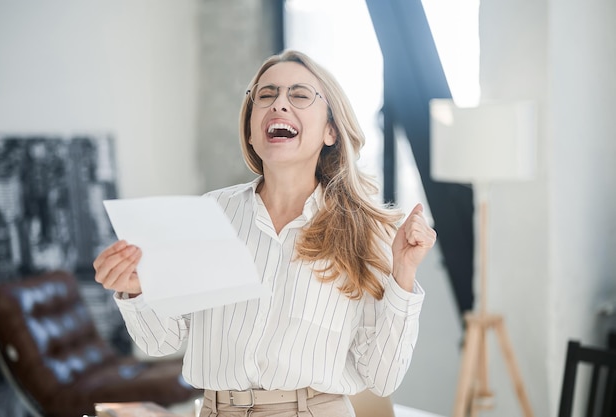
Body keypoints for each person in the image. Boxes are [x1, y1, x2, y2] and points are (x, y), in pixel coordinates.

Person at [93, 50, 437, 417]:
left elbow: (382, 378)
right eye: (266, 95)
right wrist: (136, 289)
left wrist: (403, 275)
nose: (279, 105)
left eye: (300, 95)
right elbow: (161, 340)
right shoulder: (211, 214)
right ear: (251, 130)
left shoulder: (368, 231)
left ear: (330, 130)